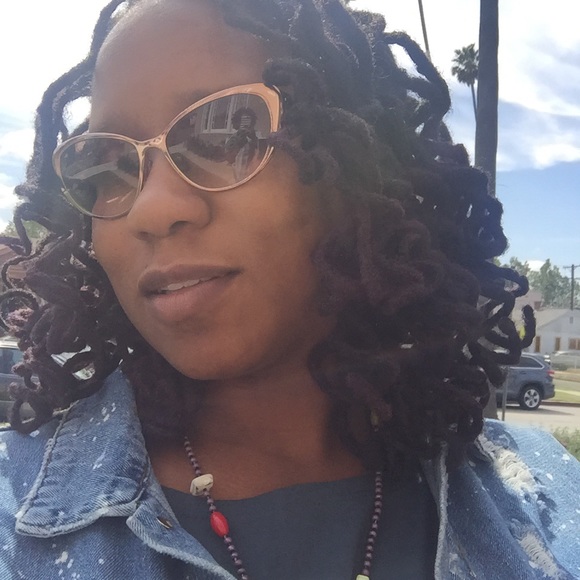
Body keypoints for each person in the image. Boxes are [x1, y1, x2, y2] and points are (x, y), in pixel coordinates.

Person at [0, 1, 578, 578]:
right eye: (106, 165)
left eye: (225, 132)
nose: (150, 209)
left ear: (354, 167)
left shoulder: (546, 504)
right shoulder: (14, 516)